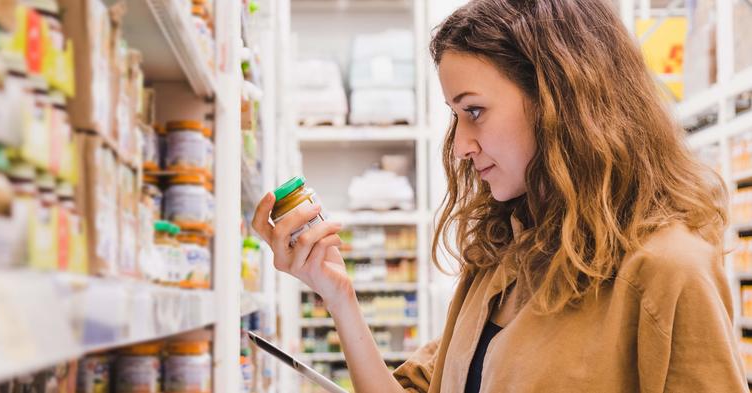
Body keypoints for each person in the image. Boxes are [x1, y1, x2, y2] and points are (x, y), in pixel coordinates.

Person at [251, 0, 747, 391]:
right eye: (455, 115)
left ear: (559, 99)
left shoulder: (668, 271)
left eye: (474, 111)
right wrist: (338, 295)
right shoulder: (501, 258)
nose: (462, 146)